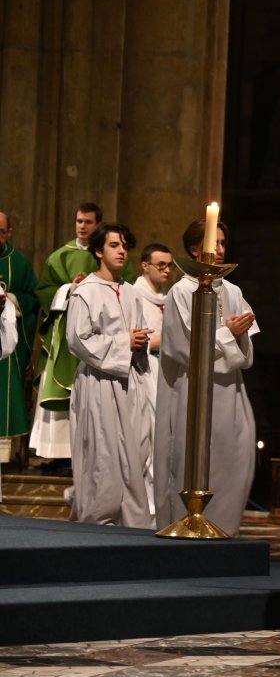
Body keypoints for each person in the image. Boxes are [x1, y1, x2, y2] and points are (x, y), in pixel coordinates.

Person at [154, 221, 258, 537]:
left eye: (224, 242)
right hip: (192, 391)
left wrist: (238, 337)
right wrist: (229, 333)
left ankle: (225, 532)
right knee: (192, 461)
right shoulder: (182, 292)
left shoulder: (234, 291)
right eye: (216, 242)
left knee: (234, 461)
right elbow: (183, 348)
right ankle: (187, 529)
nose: (222, 249)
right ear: (196, 249)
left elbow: (247, 353)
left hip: (230, 393)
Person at [67, 223, 153, 527]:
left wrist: (138, 343)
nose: (121, 251)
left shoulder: (131, 293)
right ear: (98, 251)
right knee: (102, 457)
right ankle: (95, 524)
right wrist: (123, 343)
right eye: (114, 245)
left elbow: (136, 336)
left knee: (134, 455)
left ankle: (130, 528)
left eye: (124, 246)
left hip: (130, 381)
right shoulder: (85, 293)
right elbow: (78, 340)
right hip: (99, 383)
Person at [32, 203, 117, 468]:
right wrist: (70, 288)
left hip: (97, 334)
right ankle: (56, 454)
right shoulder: (59, 256)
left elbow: (120, 287)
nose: (82, 226)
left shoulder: (107, 255)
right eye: (79, 221)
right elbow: (44, 291)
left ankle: (87, 455)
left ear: (98, 225)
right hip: (65, 334)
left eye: (88, 222)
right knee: (60, 389)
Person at [135, 243, 173, 515]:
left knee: (166, 439)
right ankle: (145, 503)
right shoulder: (133, 295)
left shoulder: (170, 297)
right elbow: (138, 338)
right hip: (144, 372)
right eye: (161, 265)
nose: (167, 270)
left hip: (167, 374)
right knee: (147, 438)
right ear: (145, 265)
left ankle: (161, 501)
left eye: (170, 265)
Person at [0, 211, 39, 462]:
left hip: (6, 341)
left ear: (9, 233)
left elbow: (33, 300)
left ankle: (4, 451)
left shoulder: (20, 262)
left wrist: (10, 300)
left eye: (1, 231)